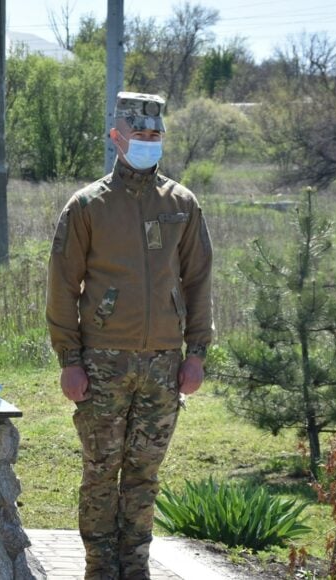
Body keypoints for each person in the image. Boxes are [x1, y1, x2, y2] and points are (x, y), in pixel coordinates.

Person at [45, 91, 213, 579]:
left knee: (144, 475)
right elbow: (62, 284)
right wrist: (69, 360)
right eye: (139, 135)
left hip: (163, 362)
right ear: (117, 138)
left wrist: (196, 354)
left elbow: (199, 279)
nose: (148, 143)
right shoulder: (87, 206)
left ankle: (135, 566)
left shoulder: (182, 204)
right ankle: (100, 567)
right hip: (103, 363)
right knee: (100, 473)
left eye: (155, 136)